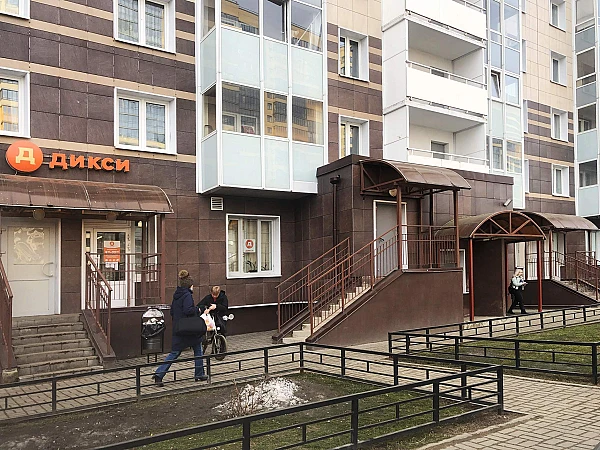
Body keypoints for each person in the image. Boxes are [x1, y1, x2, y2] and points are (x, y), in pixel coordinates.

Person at [152, 270, 208, 387]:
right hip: (189, 329)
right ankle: (199, 374)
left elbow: (172, 311)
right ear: (189, 285)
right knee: (198, 350)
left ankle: (159, 374)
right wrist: (198, 309)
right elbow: (188, 310)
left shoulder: (177, 295)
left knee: (175, 352)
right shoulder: (187, 295)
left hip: (179, 328)